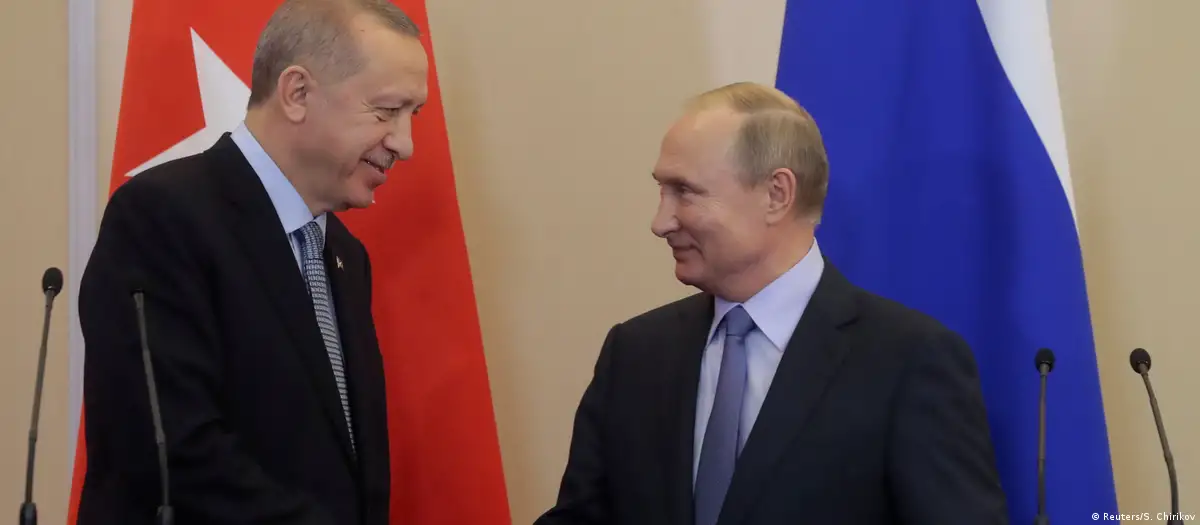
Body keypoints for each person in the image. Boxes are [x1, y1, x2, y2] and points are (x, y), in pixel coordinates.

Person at [535, 82, 1009, 524]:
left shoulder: (908, 360)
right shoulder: (636, 352)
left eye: (685, 192)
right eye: (663, 191)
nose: (661, 222)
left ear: (776, 195)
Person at [76, 1, 428, 523]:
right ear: (297, 93)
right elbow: (170, 453)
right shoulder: (161, 216)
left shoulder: (346, 257)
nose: (405, 144)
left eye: (412, 115)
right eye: (386, 111)